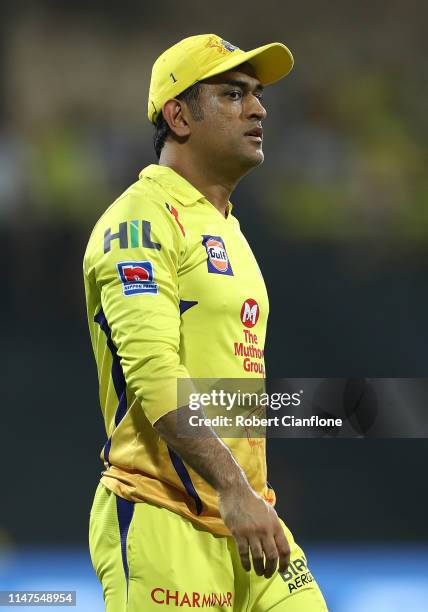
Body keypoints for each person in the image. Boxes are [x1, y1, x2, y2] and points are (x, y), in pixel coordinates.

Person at [84, 33, 328, 611]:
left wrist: (248, 483)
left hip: (247, 518)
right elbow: (155, 374)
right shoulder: (139, 223)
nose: (259, 108)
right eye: (232, 94)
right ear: (179, 116)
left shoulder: (228, 229)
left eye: (258, 95)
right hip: (164, 517)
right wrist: (233, 487)